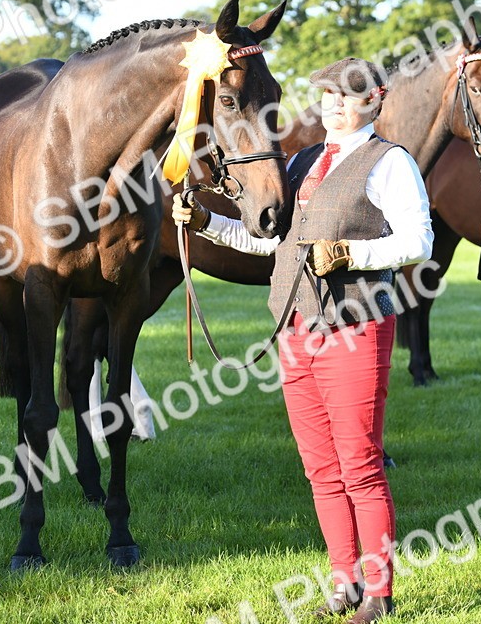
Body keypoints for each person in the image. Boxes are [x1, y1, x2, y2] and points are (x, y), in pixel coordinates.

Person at [174, 57, 433, 623]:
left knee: (360, 463)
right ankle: (341, 584)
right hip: (296, 327)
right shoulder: (300, 161)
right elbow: (272, 243)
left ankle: (379, 593)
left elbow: (418, 241)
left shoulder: (390, 162)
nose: (335, 104)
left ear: (375, 100)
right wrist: (205, 224)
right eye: (328, 95)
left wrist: (350, 254)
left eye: (349, 95)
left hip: (356, 325)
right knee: (320, 468)